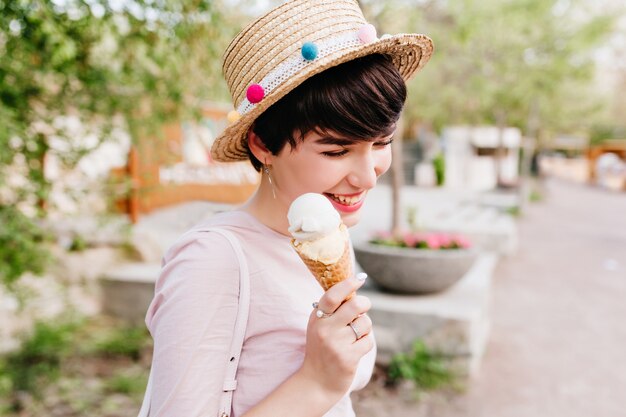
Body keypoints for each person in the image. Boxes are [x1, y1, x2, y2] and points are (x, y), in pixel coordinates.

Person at [140, 1, 432, 416]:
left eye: (381, 143)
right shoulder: (212, 261)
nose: (369, 177)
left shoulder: (329, 235)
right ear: (262, 144)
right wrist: (315, 384)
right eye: (336, 150)